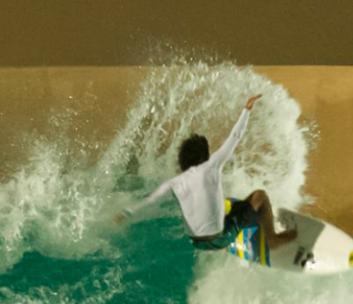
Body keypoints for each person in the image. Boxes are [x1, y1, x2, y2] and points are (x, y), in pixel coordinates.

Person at [114, 94, 296, 251]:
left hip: (196, 242)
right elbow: (235, 137)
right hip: (220, 238)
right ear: (205, 156)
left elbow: (150, 201)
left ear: (182, 160)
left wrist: (125, 213)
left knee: (227, 203)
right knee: (259, 196)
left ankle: (236, 223)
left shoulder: (174, 184)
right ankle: (272, 239)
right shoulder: (212, 165)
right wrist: (246, 110)